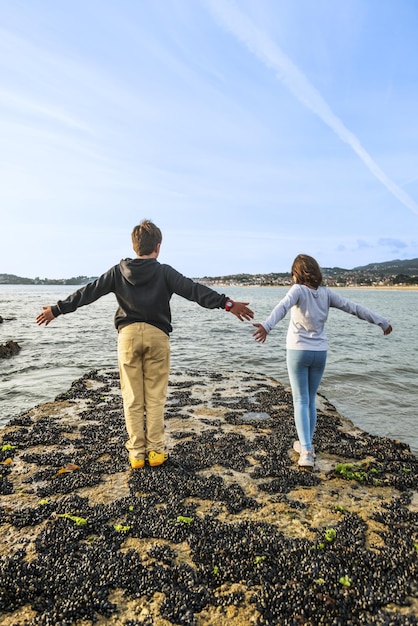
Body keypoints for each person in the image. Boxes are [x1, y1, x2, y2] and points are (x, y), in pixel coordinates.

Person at [36, 220, 254, 469]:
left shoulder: (118, 271)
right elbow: (194, 291)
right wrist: (228, 304)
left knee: (132, 397)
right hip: (156, 336)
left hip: (127, 337)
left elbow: (88, 292)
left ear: (134, 246)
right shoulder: (164, 272)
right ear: (157, 248)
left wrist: (56, 309)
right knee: (155, 396)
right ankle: (156, 452)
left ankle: (137, 454)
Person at [252, 254, 392, 469]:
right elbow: (353, 307)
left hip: (298, 351)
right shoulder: (326, 294)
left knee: (300, 400)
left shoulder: (298, 290)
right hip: (320, 353)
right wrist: (381, 321)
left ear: (297, 273)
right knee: (310, 399)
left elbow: (282, 307)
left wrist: (267, 326)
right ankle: (306, 444)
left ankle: (306, 452)